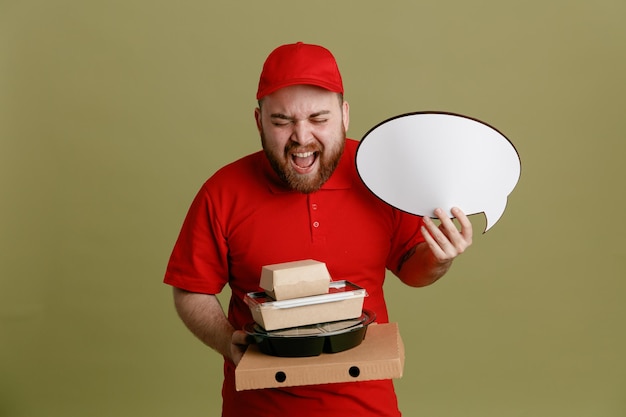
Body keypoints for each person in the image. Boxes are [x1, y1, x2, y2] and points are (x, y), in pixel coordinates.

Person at [164, 41, 473, 417]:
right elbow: (190, 290)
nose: (302, 137)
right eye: (282, 121)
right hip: (258, 407)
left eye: (318, 119)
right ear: (259, 121)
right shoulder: (223, 191)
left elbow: (413, 270)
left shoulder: (379, 174)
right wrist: (228, 340)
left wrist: (440, 258)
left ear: (344, 115)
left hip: (366, 405)